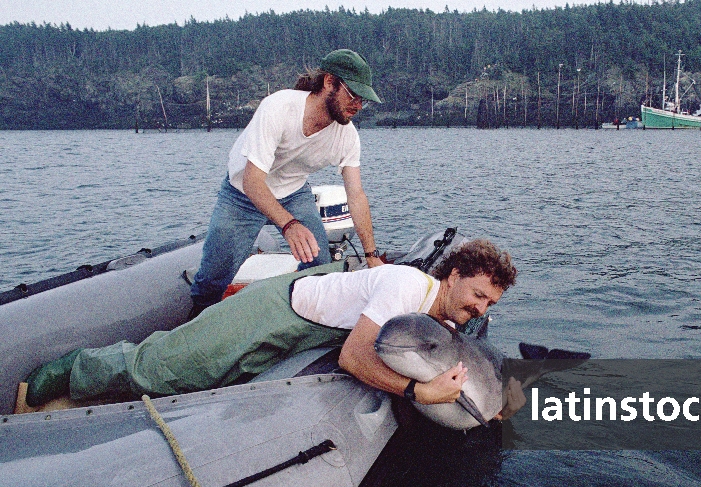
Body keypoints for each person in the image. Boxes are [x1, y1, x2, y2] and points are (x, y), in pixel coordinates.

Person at [24, 240, 517, 411]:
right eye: (476, 295)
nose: (479, 310)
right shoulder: (409, 288)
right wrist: (417, 393)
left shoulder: (438, 317)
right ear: (452, 276)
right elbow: (353, 358)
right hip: (277, 312)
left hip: (305, 325)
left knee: (205, 377)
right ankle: (51, 377)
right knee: (166, 367)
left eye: (488, 304)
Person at [189, 49, 385, 320]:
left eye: (364, 100)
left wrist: (371, 254)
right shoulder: (278, 107)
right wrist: (289, 224)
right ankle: (194, 325)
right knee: (213, 277)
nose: (358, 106)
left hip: (293, 192)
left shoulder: (347, 136)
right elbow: (252, 181)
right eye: (353, 95)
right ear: (329, 82)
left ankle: (303, 321)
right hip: (242, 195)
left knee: (319, 267)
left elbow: (356, 195)